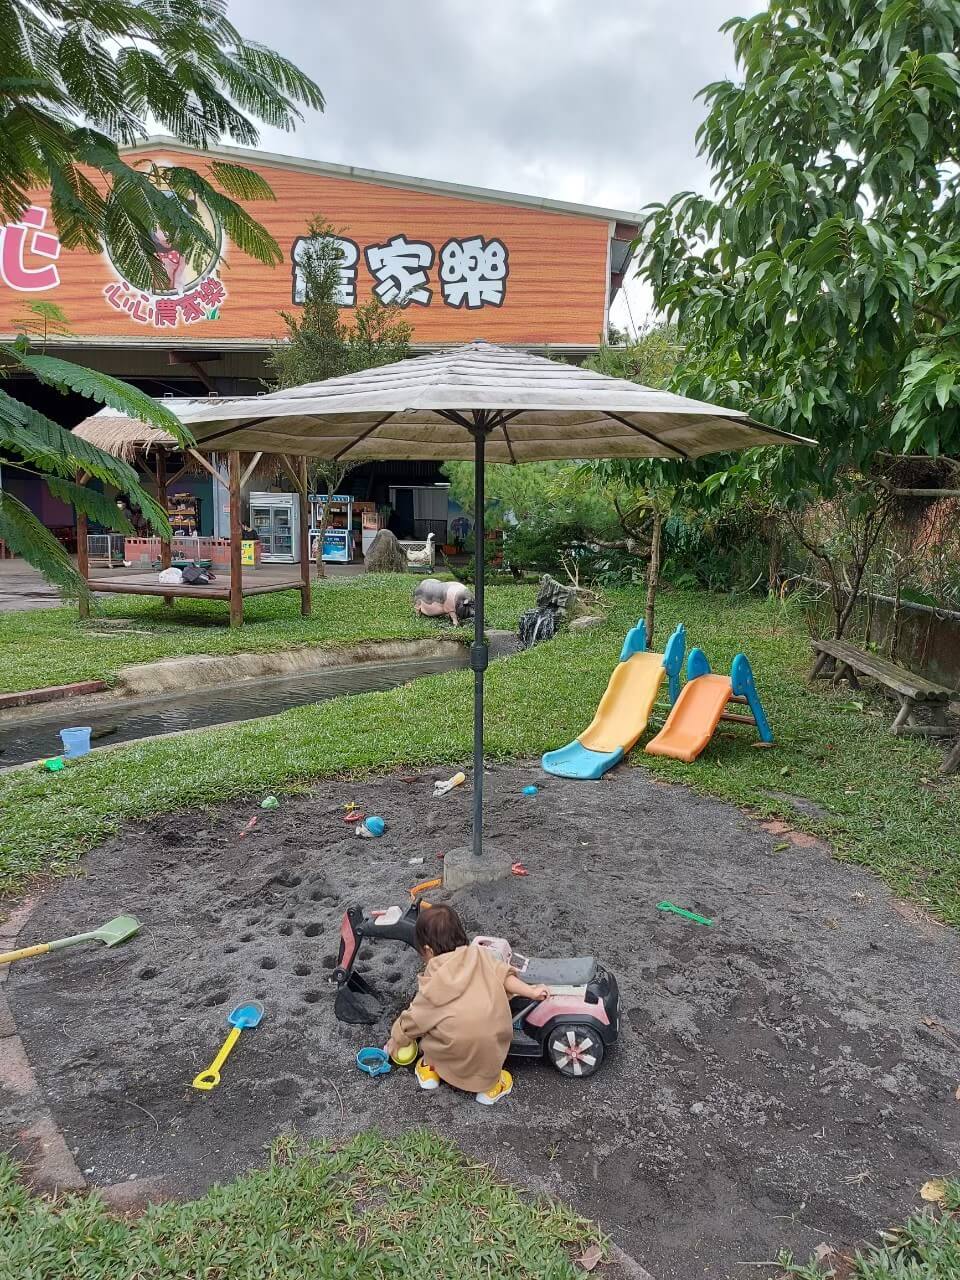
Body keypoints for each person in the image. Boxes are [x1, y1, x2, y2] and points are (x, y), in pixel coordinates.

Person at [383, 904, 549, 1106]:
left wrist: (397, 1039)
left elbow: (415, 1018)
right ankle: (490, 1089)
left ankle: (430, 1070)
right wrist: (531, 991)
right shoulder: (480, 956)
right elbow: (505, 976)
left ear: (428, 950)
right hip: (489, 1049)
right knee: (489, 1047)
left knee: (432, 1036)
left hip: (452, 1051)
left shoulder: (434, 982)